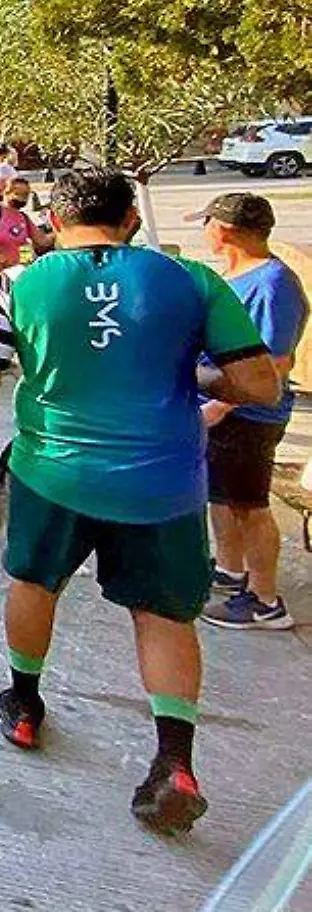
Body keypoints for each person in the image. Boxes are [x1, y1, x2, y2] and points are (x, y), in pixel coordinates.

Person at [0, 168, 280, 834]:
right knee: (163, 616)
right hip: (162, 483)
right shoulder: (190, 281)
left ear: (52, 221)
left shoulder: (18, 284)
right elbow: (259, 383)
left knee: (32, 584)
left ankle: (23, 704)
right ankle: (174, 761)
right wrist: (189, 371)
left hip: (54, 475)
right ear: (131, 218)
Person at [194, 193, 307, 630]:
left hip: (248, 416)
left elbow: (276, 361)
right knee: (223, 498)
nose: (204, 231)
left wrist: (224, 404)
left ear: (224, 230)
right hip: (226, 412)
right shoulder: (241, 276)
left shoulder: (272, 284)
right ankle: (229, 569)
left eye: (207, 223)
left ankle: (265, 598)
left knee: (250, 506)